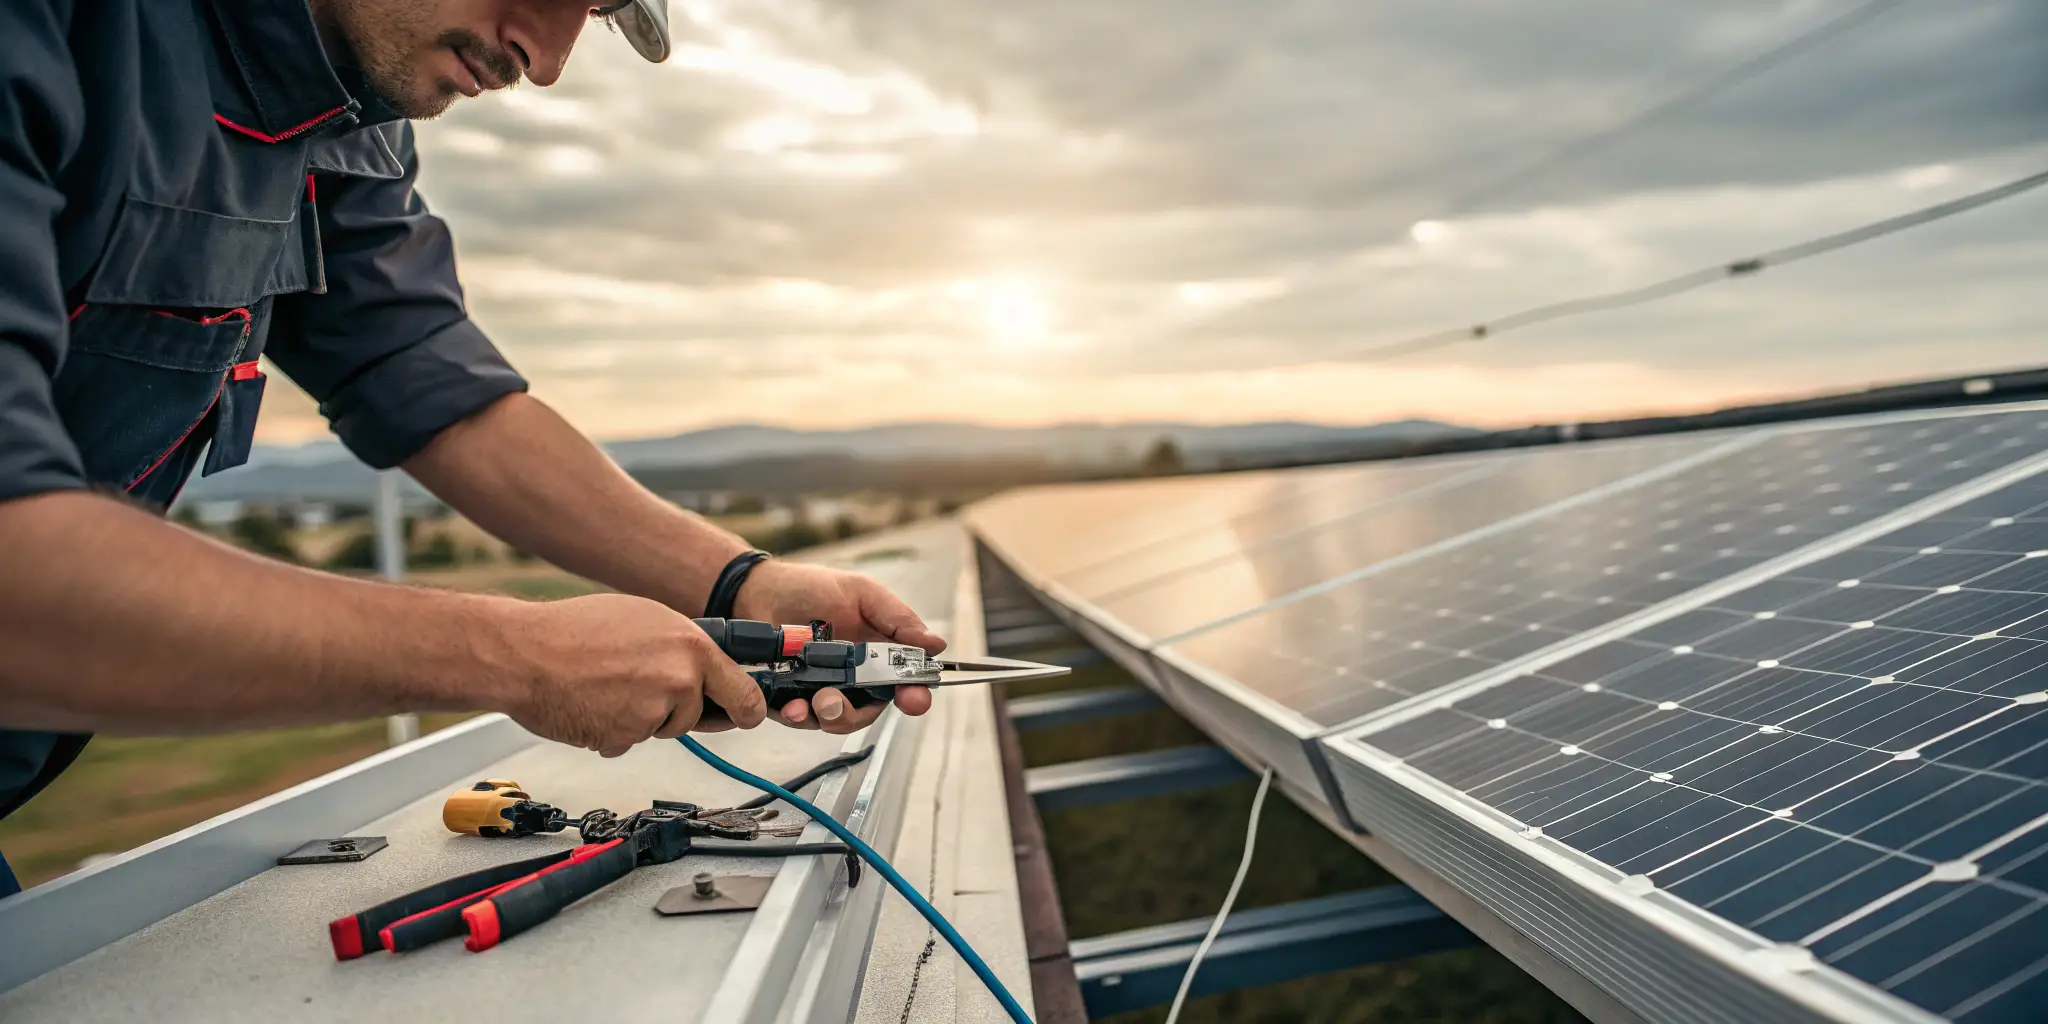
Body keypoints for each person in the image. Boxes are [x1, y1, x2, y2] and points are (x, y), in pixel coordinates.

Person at [0, 0, 941, 896]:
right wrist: (509, 654)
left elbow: (423, 375)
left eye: (598, 9)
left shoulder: (341, 94)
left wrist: (738, 585)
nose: (546, 57)